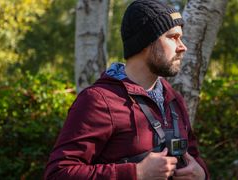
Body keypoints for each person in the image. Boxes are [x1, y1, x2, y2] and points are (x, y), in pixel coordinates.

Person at [44, 0, 209, 179]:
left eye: (181, 38)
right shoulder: (99, 100)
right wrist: (136, 173)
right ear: (146, 42)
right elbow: (58, 173)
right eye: (172, 37)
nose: (182, 47)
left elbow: (193, 158)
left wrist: (201, 174)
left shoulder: (173, 99)